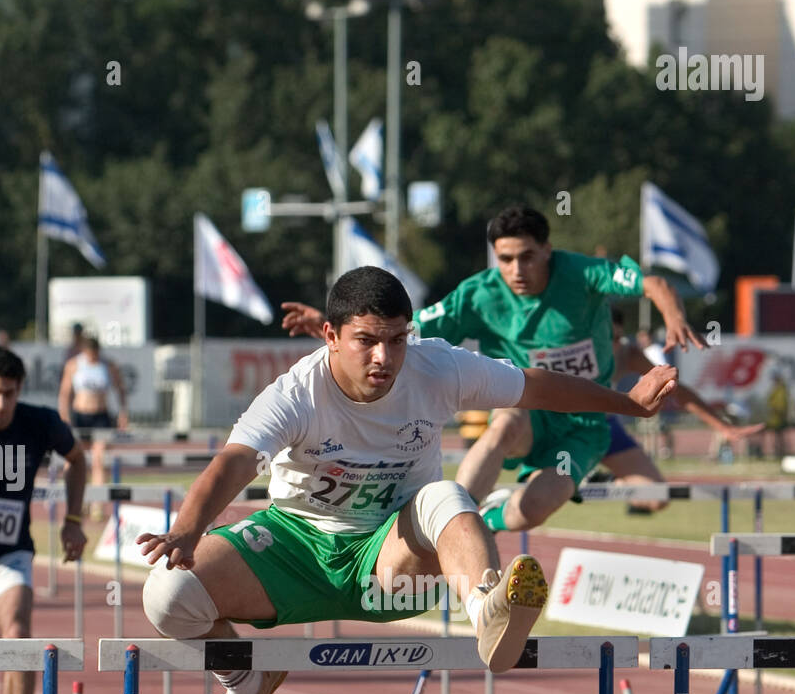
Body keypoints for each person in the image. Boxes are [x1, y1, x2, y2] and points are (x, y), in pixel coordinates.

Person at [139, 268, 675, 694]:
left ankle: (488, 608)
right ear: (330, 335)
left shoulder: (437, 367)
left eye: (396, 340)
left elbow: (534, 385)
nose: (384, 358)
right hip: (296, 544)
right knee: (167, 595)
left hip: (391, 557)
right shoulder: (294, 394)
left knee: (447, 495)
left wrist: (628, 403)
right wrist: (188, 528)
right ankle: (247, 685)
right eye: (366, 341)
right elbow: (235, 463)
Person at [282, 205, 701, 536]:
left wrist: (675, 319)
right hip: (528, 407)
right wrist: (338, 323)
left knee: (535, 509)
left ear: (547, 250)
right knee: (504, 426)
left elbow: (655, 284)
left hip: (584, 422)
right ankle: (451, 522)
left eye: (526, 257)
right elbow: (402, 330)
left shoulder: (584, 273)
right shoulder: (479, 294)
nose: (516, 270)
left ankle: (483, 524)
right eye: (505, 259)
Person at [0, 347, 87, 694]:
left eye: (8, 393)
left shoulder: (39, 423)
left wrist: (74, 521)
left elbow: (77, 459)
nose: (0, 404)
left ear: (19, 390)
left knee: (19, 634)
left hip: (8, 556)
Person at [600, 310, 764, 512]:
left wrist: (722, 426)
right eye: (606, 337)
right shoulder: (571, 348)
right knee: (557, 489)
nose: (612, 344)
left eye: (617, 338)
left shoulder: (627, 354)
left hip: (604, 427)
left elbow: (680, 392)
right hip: (565, 426)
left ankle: (608, 480)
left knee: (656, 498)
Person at [58, 335, 128, 519]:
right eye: (90, 354)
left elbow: (120, 389)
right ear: (84, 351)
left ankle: (97, 504)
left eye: (95, 354)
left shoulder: (107, 365)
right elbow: (65, 392)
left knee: (99, 458)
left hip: (101, 416)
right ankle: (78, 502)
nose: (93, 358)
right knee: (76, 459)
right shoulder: (74, 364)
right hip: (81, 416)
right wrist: (64, 416)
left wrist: (123, 412)